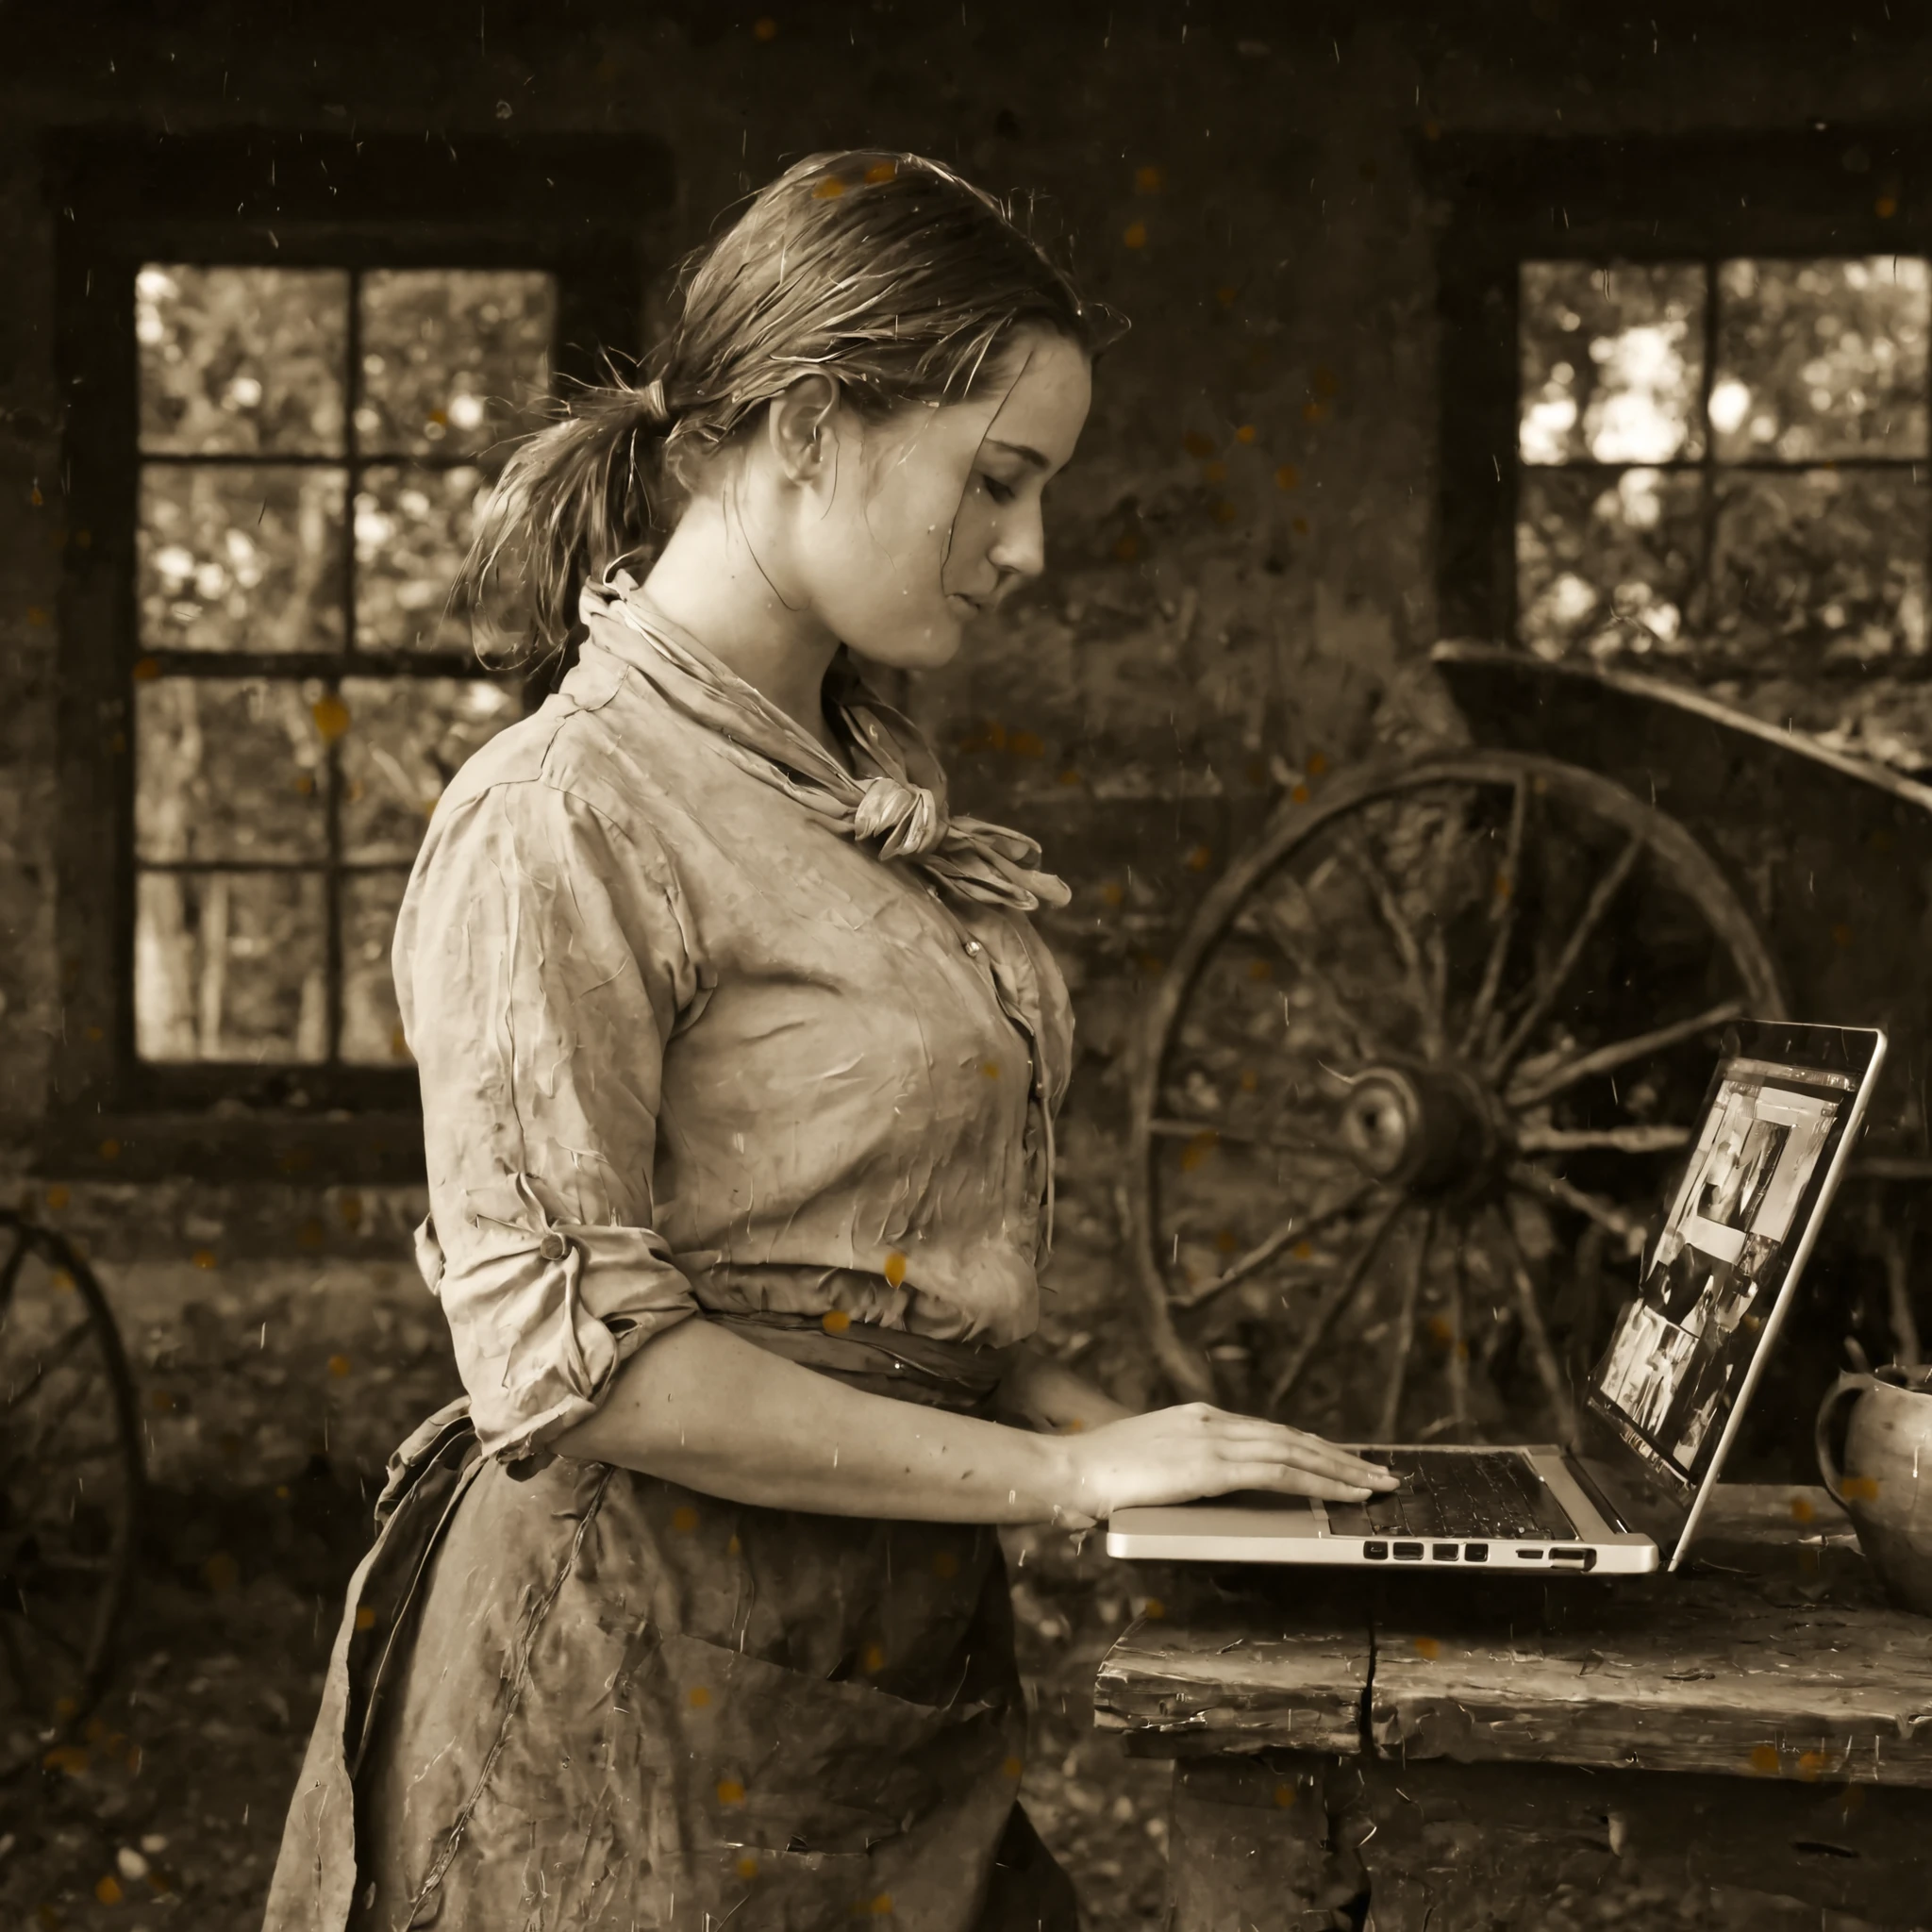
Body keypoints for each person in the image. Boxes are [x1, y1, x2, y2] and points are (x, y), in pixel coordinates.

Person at [263, 148, 1394, 1932]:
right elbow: (591, 1369)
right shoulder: (564, 814)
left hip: (868, 1671)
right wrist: (1063, 1479)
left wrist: (1139, 1445)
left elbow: (844, 1260)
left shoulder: (855, 786)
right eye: (998, 481)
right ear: (806, 422)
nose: (1028, 550)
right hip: (622, 1713)